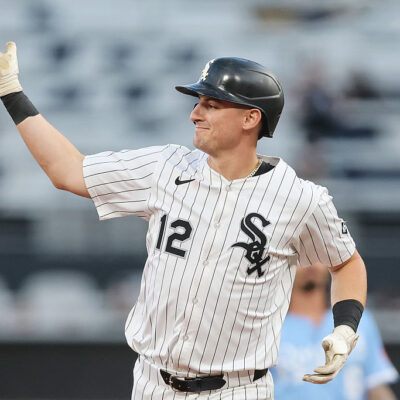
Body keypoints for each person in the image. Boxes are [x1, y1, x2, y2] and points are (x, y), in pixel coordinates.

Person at [0, 42, 367, 400]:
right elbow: (68, 171)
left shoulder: (300, 198)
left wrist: (346, 328)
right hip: (151, 383)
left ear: (250, 118)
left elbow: (347, 262)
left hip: (239, 389)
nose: (195, 113)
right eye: (198, 103)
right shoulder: (165, 167)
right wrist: (12, 93)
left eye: (211, 104)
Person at [271, 263, 398, 400]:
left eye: (317, 255)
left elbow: (376, 385)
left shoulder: (358, 318)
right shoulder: (269, 326)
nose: (310, 263)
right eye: (300, 257)